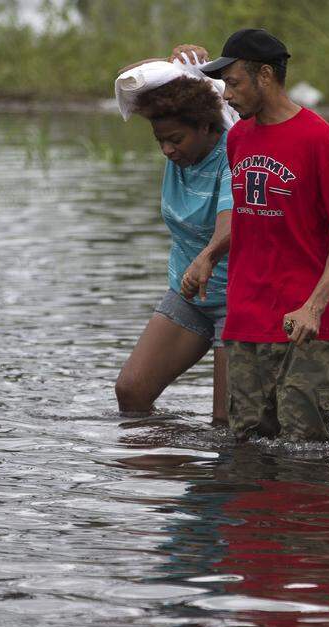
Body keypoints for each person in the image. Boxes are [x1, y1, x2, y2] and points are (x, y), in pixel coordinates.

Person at [170, 29, 329, 442]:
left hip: (305, 323)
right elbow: (248, 215)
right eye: (224, 83)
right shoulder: (238, 138)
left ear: (265, 75)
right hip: (246, 320)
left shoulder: (318, 138)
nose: (226, 95)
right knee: (246, 447)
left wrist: (313, 306)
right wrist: (209, 255)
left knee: (304, 450)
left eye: (234, 82)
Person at [114, 68, 234, 422]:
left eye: (176, 139)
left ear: (205, 126)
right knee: (132, 391)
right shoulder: (180, 155)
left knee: (226, 420)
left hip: (237, 300)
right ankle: (165, 464)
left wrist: (207, 258)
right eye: (160, 140)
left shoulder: (235, 151)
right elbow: (132, 80)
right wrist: (182, 66)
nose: (167, 149)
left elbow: (231, 225)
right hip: (190, 293)